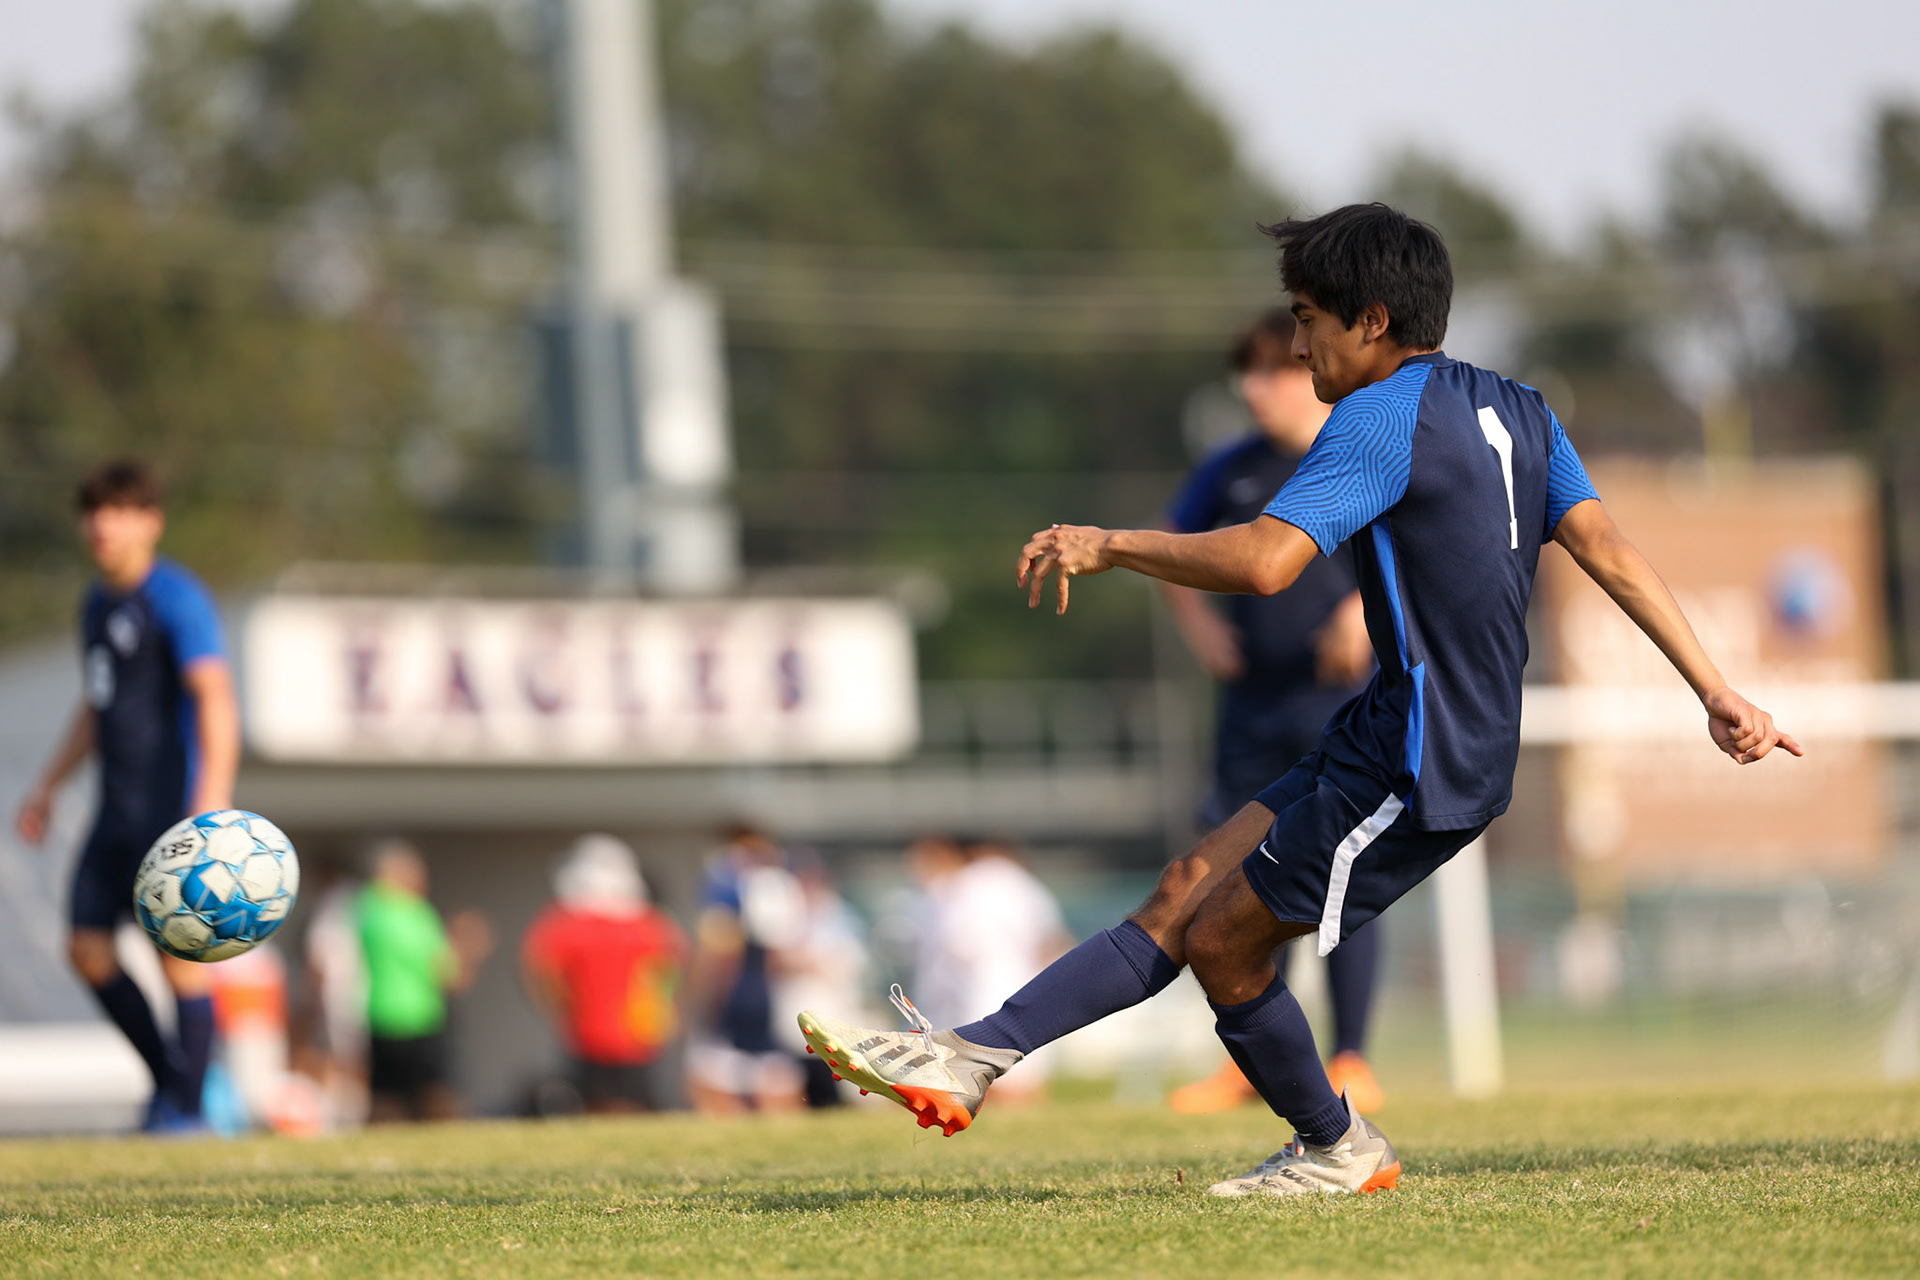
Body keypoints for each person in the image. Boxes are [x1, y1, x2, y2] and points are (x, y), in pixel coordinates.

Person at [796, 203, 1800, 1196]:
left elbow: (1267, 563)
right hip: (1389, 726)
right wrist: (1712, 687)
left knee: (1223, 939)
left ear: (1370, 319)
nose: (1296, 340)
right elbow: (1607, 548)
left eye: (1308, 316)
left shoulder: (1380, 412)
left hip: (1425, 756)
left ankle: (1335, 1143)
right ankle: (970, 1054)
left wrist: (1110, 544)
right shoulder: (1520, 406)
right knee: (1189, 883)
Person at [1161, 310, 1385, 1115]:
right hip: (1252, 711)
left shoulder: (1361, 455)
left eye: (1276, 370)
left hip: (1345, 709)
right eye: (1247, 374)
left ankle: (1352, 1056)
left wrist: (1363, 610)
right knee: (1238, 886)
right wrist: (1204, 628)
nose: (1259, 388)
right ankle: (1258, 1063)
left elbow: (1424, 551)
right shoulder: (1231, 471)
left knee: (1345, 880)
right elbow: (1172, 547)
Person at [13, 460, 239, 1132]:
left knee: (181, 961)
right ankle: (173, 1083)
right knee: (86, 949)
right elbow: (98, 702)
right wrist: (49, 787)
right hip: (116, 809)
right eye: (92, 512)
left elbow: (215, 698)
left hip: (171, 811)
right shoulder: (96, 604)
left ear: (150, 522)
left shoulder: (176, 598)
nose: (101, 526)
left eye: (117, 511)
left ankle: (193, 1110)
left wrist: (212, 801)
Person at [522, 834, 688, 1113]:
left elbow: (538, 967)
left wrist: (561, 1007)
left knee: (595, 1103)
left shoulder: (566, 924)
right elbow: (673, 967)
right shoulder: (651, 925)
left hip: (588, 1034)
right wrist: (666, 1010)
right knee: (634, 1101)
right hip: (638, 1032)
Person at [357, 839, 490, 1122]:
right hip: (418, 1017)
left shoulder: (364, 910)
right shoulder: (413, 913)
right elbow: (448, 973)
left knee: (385, 1094)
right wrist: (469, 947)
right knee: (435, 1092)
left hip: (378, 1014)